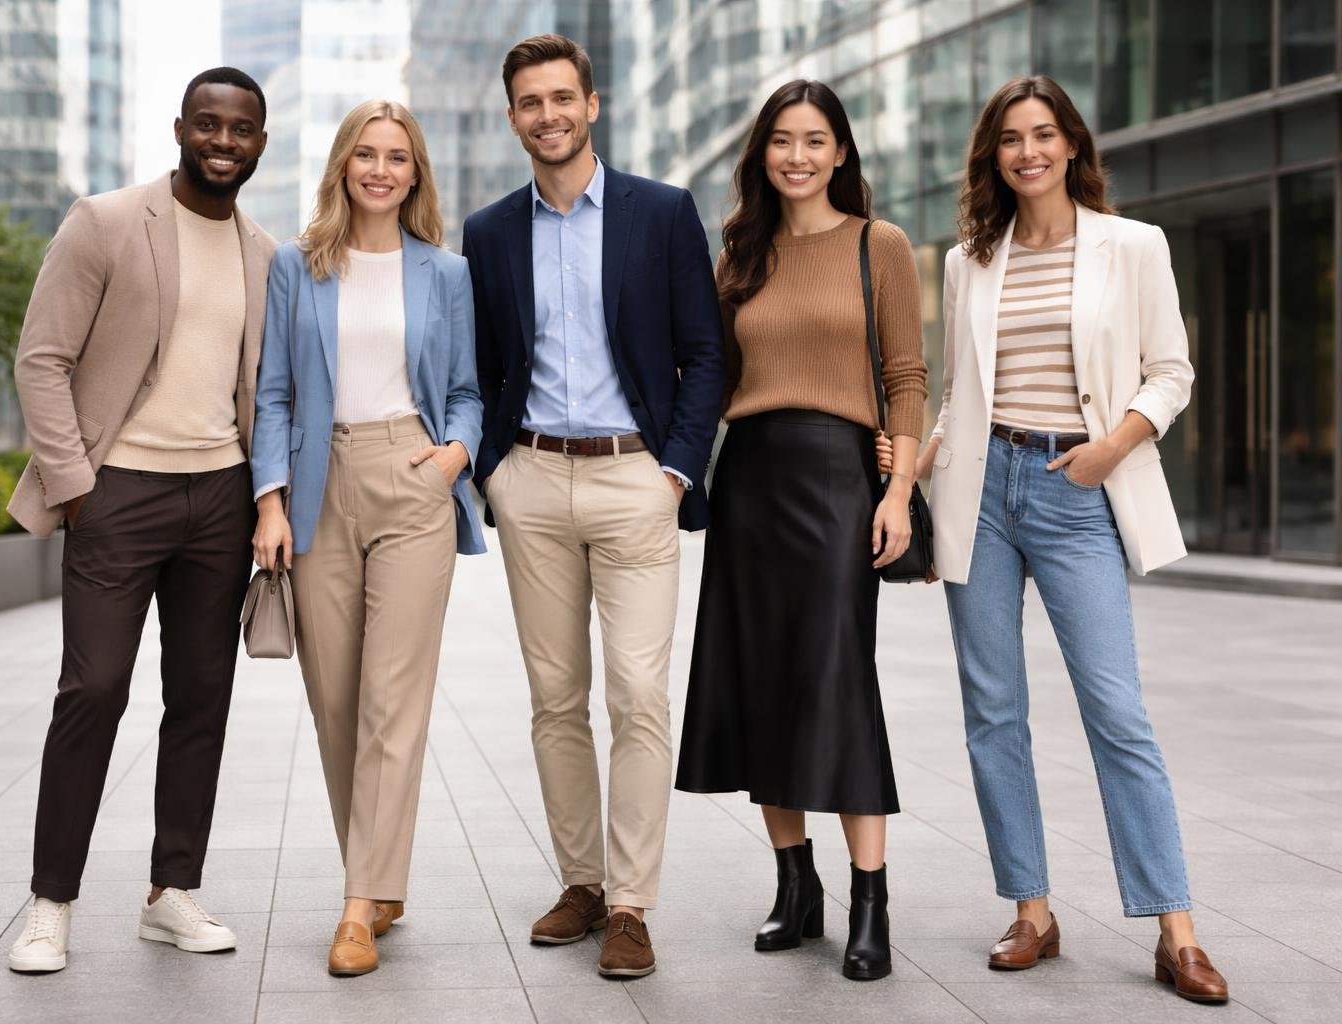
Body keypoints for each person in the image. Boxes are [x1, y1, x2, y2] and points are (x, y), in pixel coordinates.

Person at [916, 75, 1227, 1004]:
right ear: (994, 155)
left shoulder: (1132, 246)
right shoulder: (970, 258)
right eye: (1010, 139)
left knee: (1115, 710)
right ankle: (1033, 911)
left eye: (1043, 134)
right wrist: (914, 476)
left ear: (1072, 144)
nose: (1027, 152)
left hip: (1075, 487)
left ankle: (1176, 930)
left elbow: (1171, 371)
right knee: (993, 713)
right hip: (980, 491)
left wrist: (1112, 447)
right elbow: (956, 393)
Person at [462, 33, 724, 979]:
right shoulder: (491, 232)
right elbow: (482, 366)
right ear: (513, 116)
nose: (548, 115)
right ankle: (580, 883)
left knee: (641, 695)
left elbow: (706, 354)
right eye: (530, 102)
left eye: (562, 97)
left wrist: (674, 472)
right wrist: (494, 472)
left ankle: (633, 903)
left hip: (633, 480)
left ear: (591, 105)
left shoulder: (661, 213)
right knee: (554, 697)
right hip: (531, 479)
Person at [5, 68, 276, 972]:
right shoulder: (107, 222)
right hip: (118, 492)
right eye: (208, 124)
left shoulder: (263, 252)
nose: (223, 141)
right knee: (93, 691)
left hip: (221, 500)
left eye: (240, 129)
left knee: (202, 699)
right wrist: (78, 486)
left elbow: (262, 388)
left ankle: (173, 892)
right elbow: (41, 359)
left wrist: (262, 498)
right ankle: (50, 903)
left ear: (260, 144)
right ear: (181, 128)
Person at [674, 80, 926, 981]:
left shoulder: (879, 244)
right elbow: (710, 376)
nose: (798, 156)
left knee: (836, 677)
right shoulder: (740, 253)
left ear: (842, 152)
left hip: (839, 479)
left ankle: (870, 899)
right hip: (750, 479)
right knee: (763, 682)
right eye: (782, 140)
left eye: (815, 140)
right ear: (763, 153)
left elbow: (906, 379)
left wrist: (896, 495)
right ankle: (796, 887)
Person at [249, 99, 484, 978]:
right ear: (344, 164)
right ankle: (380, 873)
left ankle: (358, 903)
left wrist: (456, 451)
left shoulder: (445, 273)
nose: (380, 169)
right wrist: (270, 502)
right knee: (337, 699)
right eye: (366, 154)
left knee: (394, 697)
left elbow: (465, 388)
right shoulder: (295, 267)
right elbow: (274, 392)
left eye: (397, 156)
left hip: (412, 475)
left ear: (416, 172)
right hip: (318, 486)